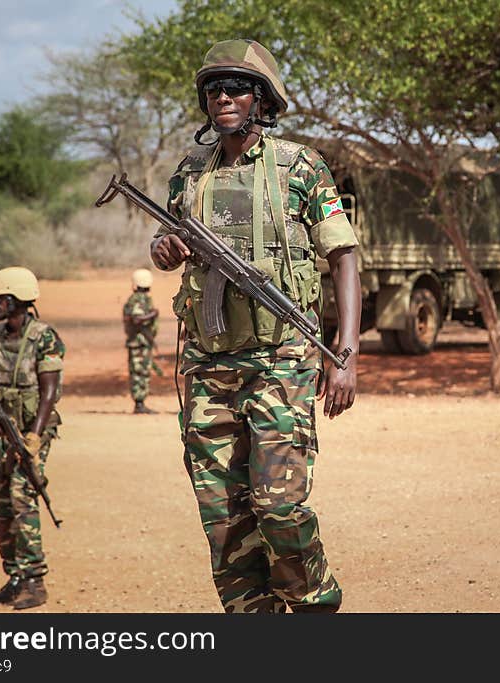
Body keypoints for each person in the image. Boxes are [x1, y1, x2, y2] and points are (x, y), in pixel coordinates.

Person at [150, 39, 361, 613]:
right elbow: (170, 239)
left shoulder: (299, 166)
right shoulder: (189, 173)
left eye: (237, 87)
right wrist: (165, 248)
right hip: (207, 363)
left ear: (262, 98)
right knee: (222, 515)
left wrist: (345, 354)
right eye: (214, 88)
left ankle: (315, 602)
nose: (223, 97)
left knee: (279, 506)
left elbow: (343, 256)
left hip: (282, 361)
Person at [0, 267, 65, 610]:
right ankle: (14, 575)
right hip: (0, 431)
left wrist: (34, 437)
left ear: (17, 300)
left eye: (0, 298)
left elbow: (49, 392)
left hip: (29, 432)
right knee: (0, 501)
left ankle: (34, 580)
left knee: (21, 495)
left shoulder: (45, 338)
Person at [123, 268, 159, 414]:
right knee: (139, 372)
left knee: (142, 371)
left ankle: (140, 403)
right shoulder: (138, 299)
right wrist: (153, 314)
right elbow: (136, 319)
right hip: (139, 343)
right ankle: (139, 404)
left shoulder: (140, 298)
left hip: (142, 342)